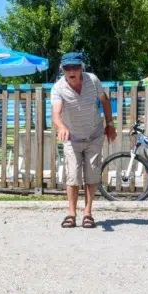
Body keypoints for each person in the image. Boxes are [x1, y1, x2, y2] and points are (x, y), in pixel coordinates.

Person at [50, 52, 117, 229]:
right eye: (67, 68)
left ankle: (87, 213)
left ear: (82, 68)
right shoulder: (58, 88)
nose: (71, 71)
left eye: (75, 67)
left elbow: (105, 101)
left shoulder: (93, 80)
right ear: (62, 69)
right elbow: (56, 114)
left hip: (94, 134)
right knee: (72, 174)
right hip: (72, 137)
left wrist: (110, 124)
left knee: (92, 173)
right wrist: (62, 127)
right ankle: (71, 214)